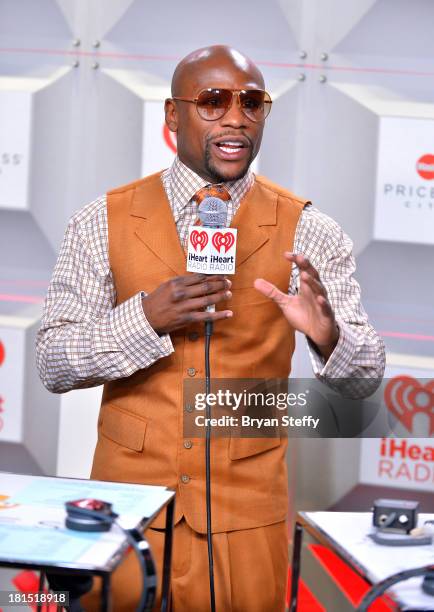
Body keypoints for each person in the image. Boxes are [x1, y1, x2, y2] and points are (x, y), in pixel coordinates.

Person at [36, 45, 385, 611]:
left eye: (252, 103)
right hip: (126, 518)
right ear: (173, 116)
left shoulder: (311, 231)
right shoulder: (101, 219)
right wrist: (145, 318)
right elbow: (52, 362)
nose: (235, 117)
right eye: (213, 101)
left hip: (246, 524)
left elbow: (365, 377)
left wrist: (328, 336)